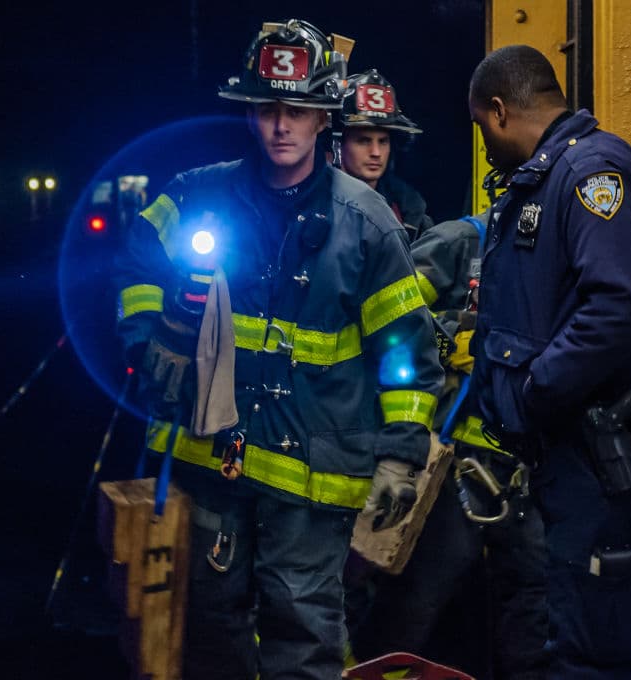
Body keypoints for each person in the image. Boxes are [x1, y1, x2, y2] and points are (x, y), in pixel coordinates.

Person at [112, 19, 444, 680]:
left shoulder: (367, 222)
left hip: (313, 476)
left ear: (325, 119)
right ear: (250, 113)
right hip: (213, 457)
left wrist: (402, 457)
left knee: (302, 630)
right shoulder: (195, 193)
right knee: (211, 625)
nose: (281, 125)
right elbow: (135, 266)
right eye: (268, 108)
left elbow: (404, 350)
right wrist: (150, 341)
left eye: (297, 110)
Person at [468, 44, 631, 678]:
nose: (485, 145)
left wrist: (539, 387)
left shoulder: (593, 172)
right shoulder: (549, 174)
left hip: (603, 451)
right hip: (576, 450)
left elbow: (623, 301)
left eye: (483, 127)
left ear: (502, 111)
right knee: (575, 633)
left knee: (598, 649)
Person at [345, 207, 550, 680]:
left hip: (524, 469)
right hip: (458, 467)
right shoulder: (459, 242)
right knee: (417, 601)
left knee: (534, 603)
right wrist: (450, 336)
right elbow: (391, 324)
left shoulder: (556, 249)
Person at [334, 69, 433, 240]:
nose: (376, 153)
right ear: (338, 144)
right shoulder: (314, 205)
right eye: (364, 141)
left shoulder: (411, 213)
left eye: (383, 141)